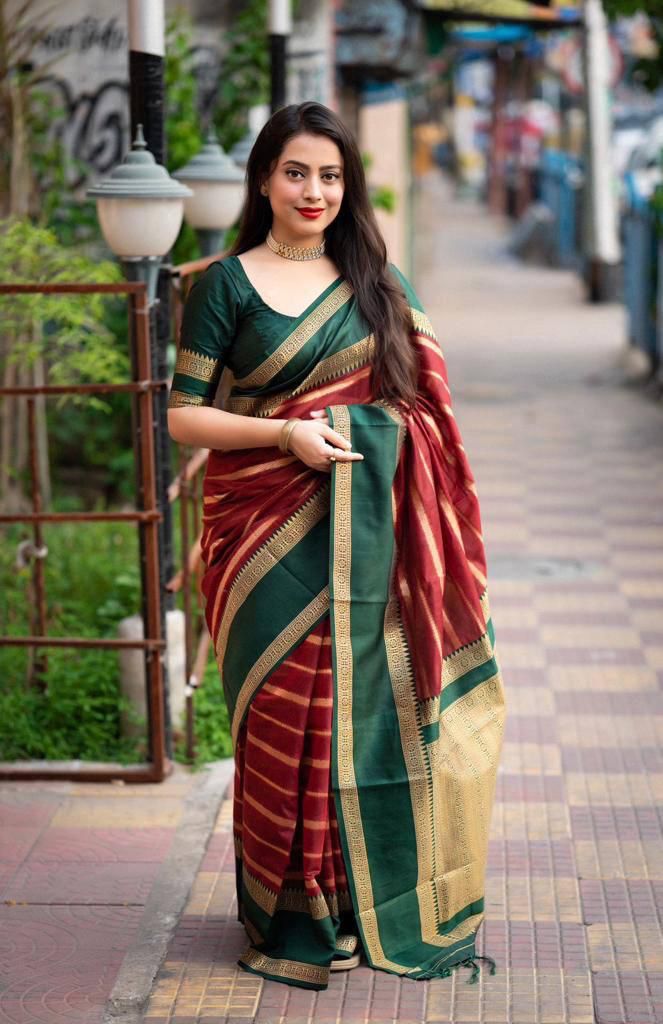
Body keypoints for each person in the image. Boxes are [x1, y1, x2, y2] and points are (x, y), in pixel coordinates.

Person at [167, 100, 506, 991]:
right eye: (294, 172)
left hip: (365, 537)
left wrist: (359, 433)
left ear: (346, 185)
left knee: (357, 716)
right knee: (281, 720)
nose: (312, 190)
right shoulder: (224, 285)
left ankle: (356, 900)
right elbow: (182, 416)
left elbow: (425, 414)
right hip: (259, 538)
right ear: (263, 180)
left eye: (329, 175)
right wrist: (285, 438)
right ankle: (286, 913)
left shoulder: (375, 284)